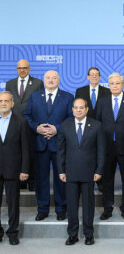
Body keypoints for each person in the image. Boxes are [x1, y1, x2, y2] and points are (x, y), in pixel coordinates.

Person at [24, 70, 74, 221]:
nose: (51, 80)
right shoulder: (34, 96)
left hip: (59, 145)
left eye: (54, 78)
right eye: (48, 78)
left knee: (61, 179)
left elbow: (72, 117)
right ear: (43, 80)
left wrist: (57, 128)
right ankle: (43, 209)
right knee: (41, 179)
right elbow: (27, 116)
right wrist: (37, 128)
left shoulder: (67, 97)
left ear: (59, 80)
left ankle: (61, 209)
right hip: (40, 144)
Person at [57, 98, 105, 246]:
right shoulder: (65, 126)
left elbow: (101, 151)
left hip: (89, 172)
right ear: (72, 109)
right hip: (70, 172)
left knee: (88, 206)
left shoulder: (96, 126)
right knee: (71, 206)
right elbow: (61, 151)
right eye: (76, 108)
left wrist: (99, 170)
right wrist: (60, 170)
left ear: (86, 109)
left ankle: (88, 234)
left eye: (81, 107)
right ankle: (72, 234)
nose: (78, 110)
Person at [96, 73, 124, 220]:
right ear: (108, 85)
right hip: (106, 147)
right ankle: (107, 208)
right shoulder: (102, 102)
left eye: (117, 83)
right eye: (112, 83)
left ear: (123, 84)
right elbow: (97, 124)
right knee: (107, 179)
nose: (114, 86)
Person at [6, 59, 44, 191]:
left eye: (24, 68)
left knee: (31, 153)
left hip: (30, 123)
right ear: (17, 69)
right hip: (14, 124)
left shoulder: (38, 83)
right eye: (19, 68)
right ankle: (20, 181)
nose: (22, 70)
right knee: (17, 152)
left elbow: (40, 103)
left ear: (29, 69)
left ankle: (32, 181)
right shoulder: (9, 83)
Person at [0, 91, 30, 245]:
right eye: (1, 101)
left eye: (6, 101)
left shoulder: (21, 122)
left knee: (13, 203)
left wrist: (24, 169)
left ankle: (13, 232)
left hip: (13, 168)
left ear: (12, 103)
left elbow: (25, 148)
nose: (3, 103)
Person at [75, 67, 109, 193]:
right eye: (91, 74)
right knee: (87, 154)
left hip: (101, 129)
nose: (94, 76)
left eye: (96, 75)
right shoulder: (80, 91)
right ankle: (86, 180)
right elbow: (77, 110)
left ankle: (100, 182)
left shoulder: (107, 91)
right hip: (84, 129)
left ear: (100, 77)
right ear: (88, 77)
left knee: (100, 155)